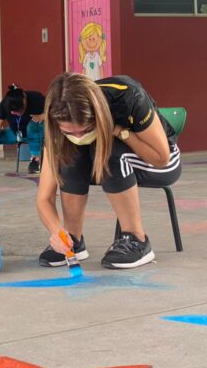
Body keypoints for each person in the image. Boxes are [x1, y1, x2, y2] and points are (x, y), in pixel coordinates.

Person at [37, 73, 181, 269]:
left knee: (109, 152)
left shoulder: (127, 97)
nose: (78, 136)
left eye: (86, 129)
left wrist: (121, 132)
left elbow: (161, 158)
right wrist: (57, 232)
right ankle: (73, 241)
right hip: (102, 161)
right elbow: (44, 197)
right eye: (69, 132)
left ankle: (136, 240)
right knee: (69, 155)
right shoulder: (57, 121)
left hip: (160, 160)